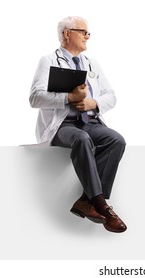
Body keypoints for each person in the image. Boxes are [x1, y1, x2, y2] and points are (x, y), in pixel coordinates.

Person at [29, 16, 127, 233]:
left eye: (87, 33)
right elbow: (35, 98)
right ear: (66, 33)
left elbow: (111, 96)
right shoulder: (48, 61)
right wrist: (69, 98)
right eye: (83, 32)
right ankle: (102, 205)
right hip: (62, 125)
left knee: (116, 140)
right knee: (81, 139)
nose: (87, 37)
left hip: (90, 121)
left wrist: (93, 102)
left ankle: (86, 200)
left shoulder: (92, 63)